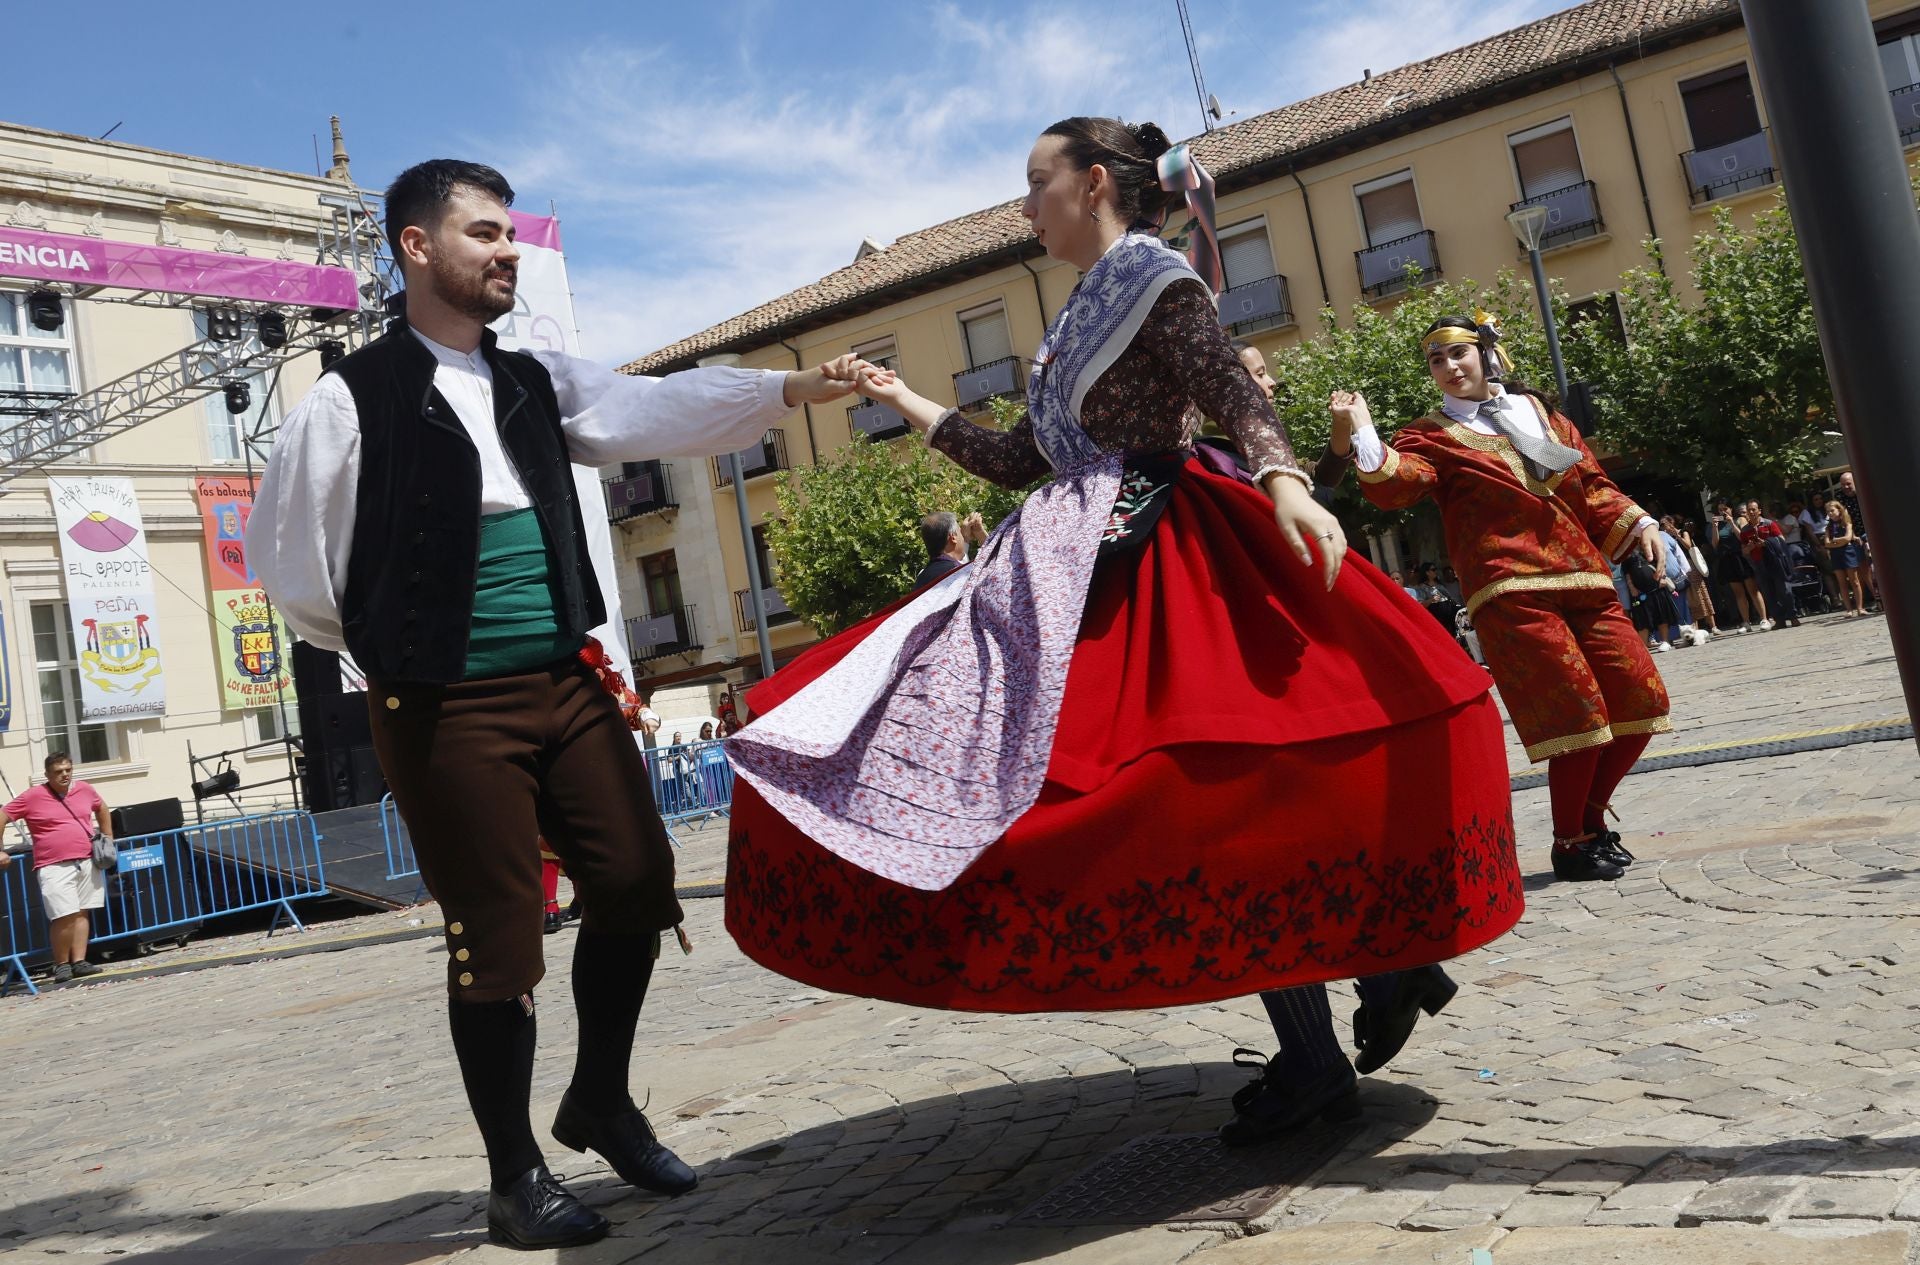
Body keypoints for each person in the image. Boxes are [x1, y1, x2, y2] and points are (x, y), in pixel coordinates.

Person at [724, 118, 1519, 1149]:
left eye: (1035, 183)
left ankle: (1332, 1036)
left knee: (1201, 787)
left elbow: (1230, 388)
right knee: (1185, 791)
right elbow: (1020, 462)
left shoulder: (1153, 275)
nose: (1024, 207)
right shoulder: (1077, 314)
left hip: (1162, 546)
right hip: (1072, 553)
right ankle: (1381, 965)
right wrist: (902, 396)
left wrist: (1283, 478)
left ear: (1093, 182)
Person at [247, 158, 871, 1250]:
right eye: (482, 234)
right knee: (498, 936)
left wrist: (782, 390)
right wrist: (406, 648)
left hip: (561, 676)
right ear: (414, 246)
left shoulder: (533, 380)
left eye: (509, 235)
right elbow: (296, 567)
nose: (506, 251)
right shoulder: (350, 398)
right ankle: (514, 1176)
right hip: (443, 700)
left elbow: (648, 406)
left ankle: (599, 1100)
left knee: (636, 879)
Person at [1329, 310, 1671, 883]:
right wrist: (1362, 430)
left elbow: (1590, 484)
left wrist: (1640, 524)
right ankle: (1573, 842)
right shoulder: (1431, 434)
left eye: (1457, 353)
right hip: (1511, 589)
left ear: (1487, 353)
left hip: (1586, 578)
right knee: (1577, 715)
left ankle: (1587, 825)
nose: (1447, 367)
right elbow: (1397, 485)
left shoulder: (1541, 415)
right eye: (1436, 360)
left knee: (1642, 702)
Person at [0, 753, 111, 983]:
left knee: (82, 911)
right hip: (53, 865)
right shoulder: (33, 796)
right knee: (63, 915)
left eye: (68, 770)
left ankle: (79, 961)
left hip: (86, 860)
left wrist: (108, 837)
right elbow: (1, 816)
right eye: (59, 771)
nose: (65, 775)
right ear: (47, 774)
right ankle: (61, 964)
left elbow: (102, 807)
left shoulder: (84, 789)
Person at [1742, 499, 1801, 628]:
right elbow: (1744, 550)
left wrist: (1766, 543)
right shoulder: (1745, 530)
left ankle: (1793, 616)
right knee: (1768, 593)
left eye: (1753, 509)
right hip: (1759, 563)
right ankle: (1779, 619)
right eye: (1749, 510)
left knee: (1784, 590)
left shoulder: (1769, 524)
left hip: (1775, 561)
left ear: (1759, 511)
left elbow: (1781, 540)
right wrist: (1750, 548)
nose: (1751, 512)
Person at [1711, 501, 1767, 632]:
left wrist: (1731, 522)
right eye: (1720, 510)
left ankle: (1763, 618)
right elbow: (1715, 544)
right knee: (1738, 593)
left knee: (1752, 589)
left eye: (1725, 508)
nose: (1723, 512)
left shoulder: (1739, 519)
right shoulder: (1718, 525)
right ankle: (1746, 622)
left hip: (1741, 557)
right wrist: (1714, 527)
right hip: (1728, 559)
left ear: (1731, 509)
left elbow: (1742, 537)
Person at [912, 510, 986, 588]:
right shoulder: (961, 575)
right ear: (953, 537)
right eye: (960, 531)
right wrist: (981, 534)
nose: (962, 536)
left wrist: (966, 538)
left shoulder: (921, 576)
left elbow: (960, 560)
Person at [1826, 500, 1868, 616]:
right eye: (1828, 512)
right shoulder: (1829, 527)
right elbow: (1827, 543)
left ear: (1839, 510)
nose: (1830, 513)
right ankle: (1849, 609)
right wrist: (1840, 542)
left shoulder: (1847, 523)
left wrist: (1836, 541)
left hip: (1848, 552)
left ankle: (1860, 607)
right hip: (1836, 555)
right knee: (1842, 583)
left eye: (1832, 510)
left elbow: (1848, 537)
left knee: (1854, 581)